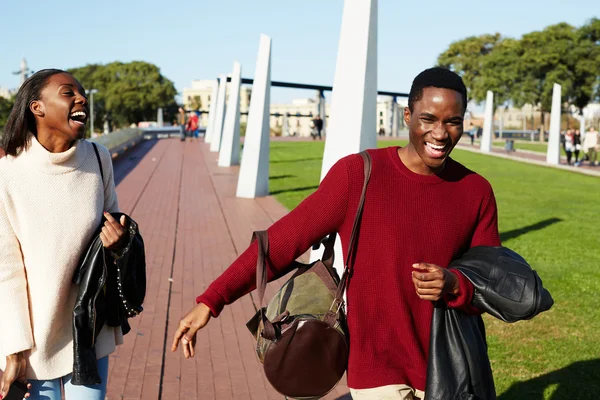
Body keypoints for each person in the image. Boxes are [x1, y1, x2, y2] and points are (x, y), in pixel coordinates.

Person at [172, 67, 501, 400]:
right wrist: (211, 301)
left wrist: (456, 284)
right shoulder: (358, 175)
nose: (440, 133)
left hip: (452, 366)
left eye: (452, 122)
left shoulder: (476, 191)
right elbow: (281, 243)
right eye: (428, 119)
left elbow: (491, 282)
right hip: (377, 370)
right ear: (407, 115)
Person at [0, 69, 128, 400]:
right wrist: (13, 348)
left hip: (88, 331)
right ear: (37, 107)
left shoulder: (98, 159)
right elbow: (6, 270)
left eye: (81, 93)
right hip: (31, 342)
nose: (81, 98)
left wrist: (117, 242)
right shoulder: (8, 173)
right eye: (68, 93)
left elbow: (114, 226)